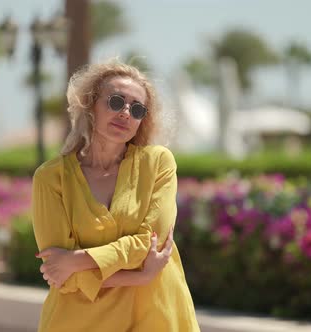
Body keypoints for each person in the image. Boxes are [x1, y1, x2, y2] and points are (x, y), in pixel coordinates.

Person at [31, 60, 200, 331]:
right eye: (116, 101)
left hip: (155, 316)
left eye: (136, 109)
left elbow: (151, 243)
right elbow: (59, 274)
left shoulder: (158, 163)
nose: (125, 113)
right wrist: (140, 276)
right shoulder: (50, 177)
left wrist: (77, 260)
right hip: (78, 321)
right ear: (90, 105)